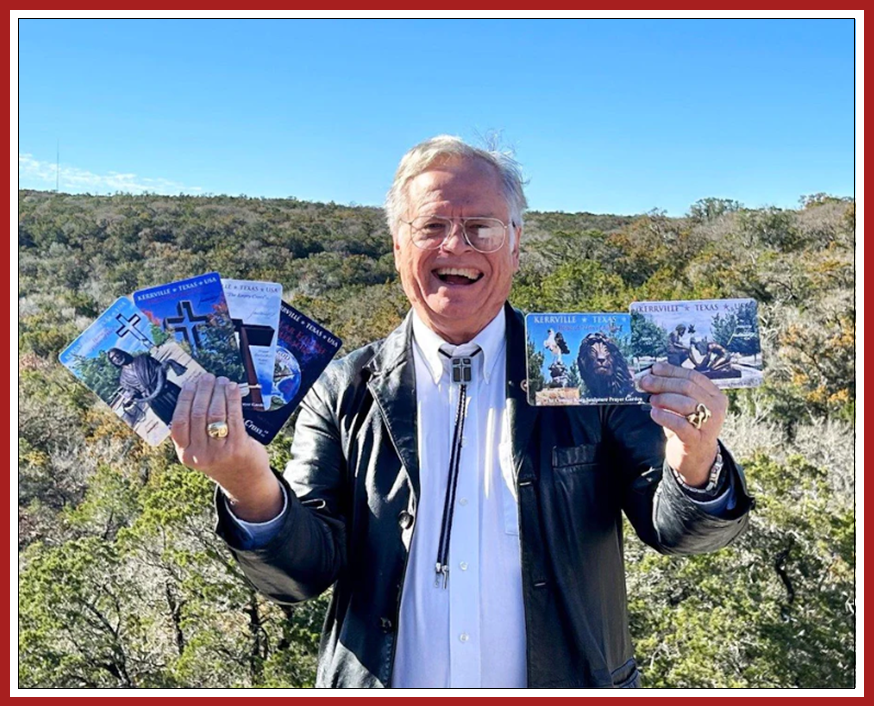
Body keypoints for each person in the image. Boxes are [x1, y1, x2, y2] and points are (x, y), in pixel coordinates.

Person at [170, 136, 753, 689]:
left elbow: (682, 534)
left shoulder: (591, 370)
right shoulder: (344, 389)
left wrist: (696, 460)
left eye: (481, 228)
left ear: (516, 245)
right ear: (399, 245)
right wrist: (248, 485)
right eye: (432, 226)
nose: (456, 245)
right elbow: (301, 573)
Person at [107, 347, 186, 426]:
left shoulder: (143, 359)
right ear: (113, 363)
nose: (116, 357)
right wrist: (131, 398)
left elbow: (158, 367)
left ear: (122, 353)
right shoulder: (123, 379)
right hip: (154, 401)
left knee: (189, 405)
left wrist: (165, 366)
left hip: (167, 389)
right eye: (113, 358)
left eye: (117, 354)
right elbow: (134, 392)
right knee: (175, 423)